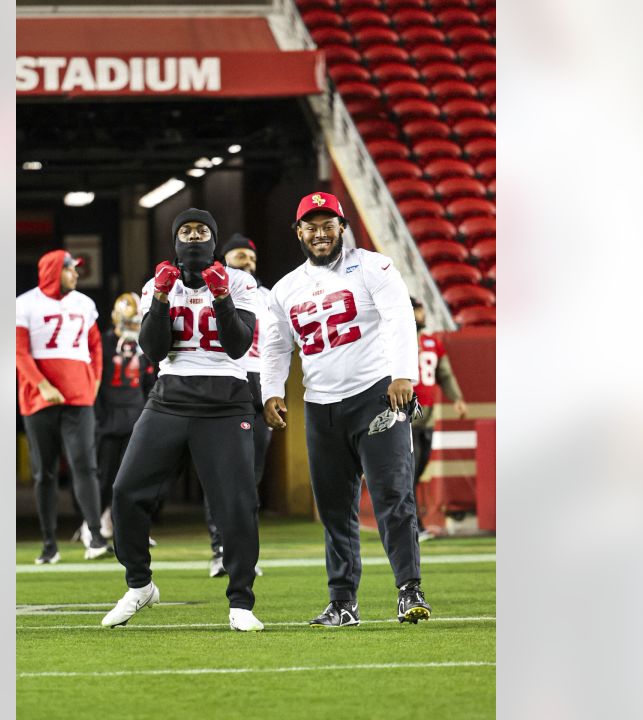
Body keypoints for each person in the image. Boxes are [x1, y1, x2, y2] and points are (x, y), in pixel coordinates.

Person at [262, 191, 432, 626]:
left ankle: (409, 590)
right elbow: (277, 344)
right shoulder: (285, 288)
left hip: (375, 395)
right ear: (298, 232)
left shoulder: (374, 266)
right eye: (311, 226)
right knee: (335, 510)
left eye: (328, 224)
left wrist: (402, 374)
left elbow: (398, 318)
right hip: (321, 406)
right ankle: (343, 602)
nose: (320, 233)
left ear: (342, 226)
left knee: (393, 496)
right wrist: (271, 390)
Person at [102, 209, 265, 632]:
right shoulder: (158, 283)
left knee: (237, 504)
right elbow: (154, 351)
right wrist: (157, 299)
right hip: (170, 398)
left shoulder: (242, 281)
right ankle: (140, 584)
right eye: (186, 231)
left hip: (227, 401)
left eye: (202, 230)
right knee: (126, 491)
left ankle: (241, 601)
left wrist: (222, 297)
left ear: (213, 237)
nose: (194, 237)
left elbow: (238, 346)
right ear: (176, 240)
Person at [15, 250, 111, 563]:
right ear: (55, 270)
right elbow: (19, 351)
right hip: (39, 398)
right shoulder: (25, 303)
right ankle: (48, 544)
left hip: (78, 396)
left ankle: (95, 536)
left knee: (85, 464)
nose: (76, 275)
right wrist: (42, 385)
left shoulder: (84, 303)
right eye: (71, 269)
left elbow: (95, 346)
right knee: (45, 473)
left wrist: (94, 381)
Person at [200, 233, 273, 578]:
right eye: (242, 256)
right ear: (225, 258)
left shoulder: (269, 297)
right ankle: (219, 547)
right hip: (227, 380)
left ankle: (244, 551)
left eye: (253, 258)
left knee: (250, 476)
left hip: (261, 384)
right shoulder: (206, 291)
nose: (249, 262)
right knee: (218, 473)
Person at [92, 292, 155, 546]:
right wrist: (99, 417)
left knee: (133, 478)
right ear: (116, 318)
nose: (132, 328)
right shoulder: (103, 343)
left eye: (135, 322)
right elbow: (95, 382)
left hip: (135, 416)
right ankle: (94, 522)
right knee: (105, 476)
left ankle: (129, 528)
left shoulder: (144, 346)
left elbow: (150, 384)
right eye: (128, 321)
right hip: (109, 418)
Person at [411, 296, 470, 542]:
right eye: (417, 311)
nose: (421, 316)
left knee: (416, 473)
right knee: (408, 475)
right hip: (405, 416)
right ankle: (414, 528)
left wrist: (456, 397)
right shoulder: (393, 341)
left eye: (421, 311)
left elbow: (443, 373)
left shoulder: (432, 342)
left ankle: (413, 526)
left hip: (428, 415)